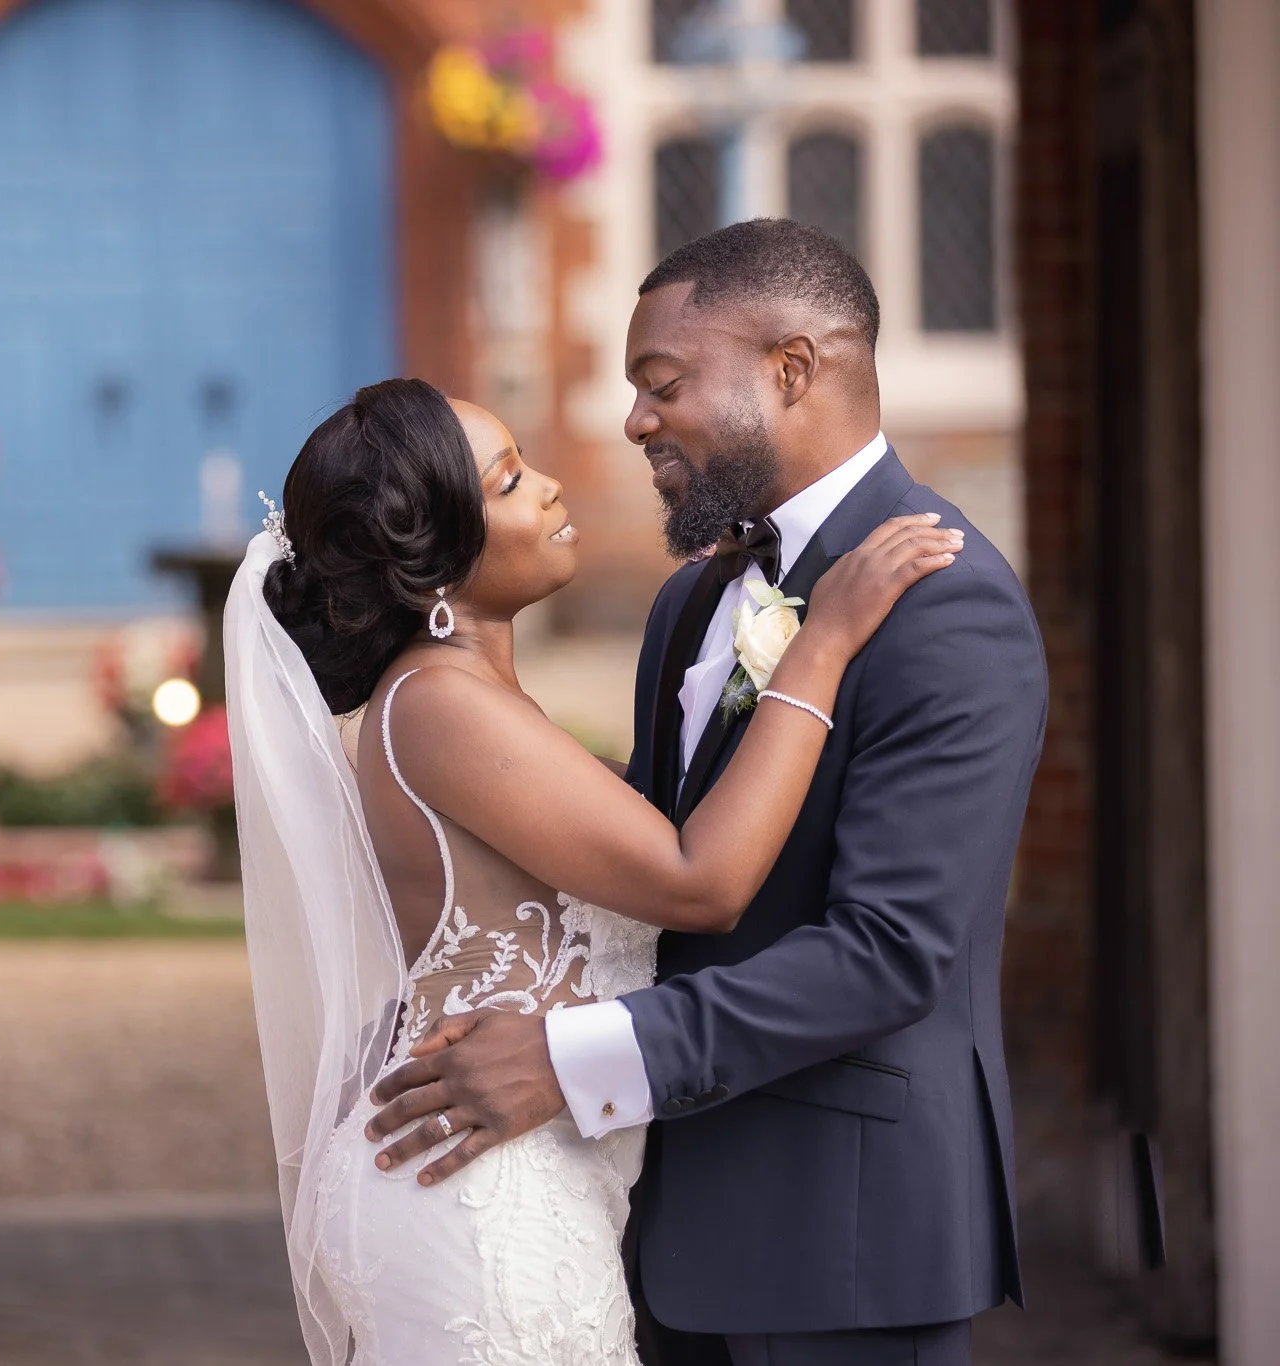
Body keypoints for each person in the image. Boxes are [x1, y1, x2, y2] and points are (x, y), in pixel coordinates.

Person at [354, 220, 1047, 1366]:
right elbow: (646, 870)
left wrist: (569, 1057)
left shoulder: (942, 603)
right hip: (651, 1228)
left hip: (842, 1234)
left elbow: (887, 950)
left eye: (661, 383)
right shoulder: (693, 601)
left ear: (789, 370)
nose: (631, 420)